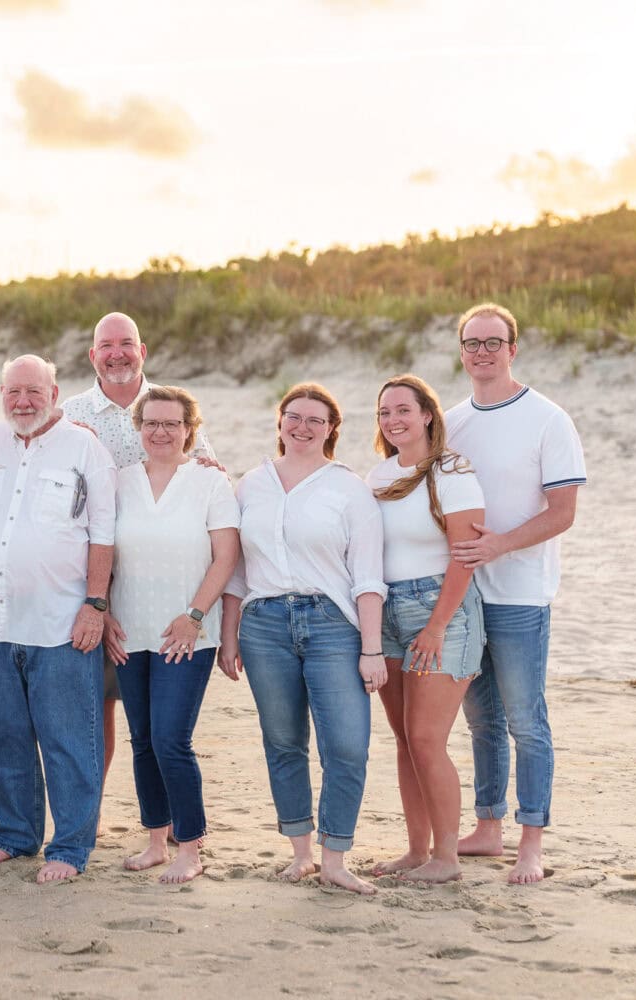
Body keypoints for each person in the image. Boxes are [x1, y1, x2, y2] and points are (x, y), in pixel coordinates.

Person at [218, 383, 387, 895]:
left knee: (347, 745)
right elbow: (235, 573)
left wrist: (372, 649)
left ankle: (336, 857)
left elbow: (368, 576)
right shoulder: (251, 485)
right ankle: (301, 852)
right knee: (283, 741)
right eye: (295, 416)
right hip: (264, 624)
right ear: (280, 422)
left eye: (316, 419)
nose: (304, 426)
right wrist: (229, 638)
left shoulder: (348, 488)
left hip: (333, 624)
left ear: (332, 429)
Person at [446, 303, 586, 884]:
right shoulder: (450, 421)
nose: (483, 351)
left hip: (521, 595)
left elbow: (562, 513)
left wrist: (499, 546)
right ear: (461, 351)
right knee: (482, 721)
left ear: (513, 349)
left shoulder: (548, 419)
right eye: (472, 342)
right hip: (462, 593)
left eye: (494, 342)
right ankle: (488, 826)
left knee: (526, 720)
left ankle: (532, 841)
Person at [0, 355, 117, 884]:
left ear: (55, 392)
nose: (23, 402)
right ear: (1, 393)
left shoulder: (86, 448)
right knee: (3, 738)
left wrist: (95, 605)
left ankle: (72, 846)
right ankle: (14, 835)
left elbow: (103, 535)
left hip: (63, 624)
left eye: (34, 391)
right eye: (13, 392)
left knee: (69, 740)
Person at [60, 311, 217, 794]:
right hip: (95, 585)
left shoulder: (171, 406)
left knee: (165, 720)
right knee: (98, 706)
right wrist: (97, 598)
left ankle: (169, 816)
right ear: (92, 356)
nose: (117, 353)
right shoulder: (73, 414)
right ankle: (96, 807)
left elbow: (208, 475)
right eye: (106, 345)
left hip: (164, 585)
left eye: (126, 343)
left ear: (142, 350)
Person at [106, 386, 239, 883]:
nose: (161, 432)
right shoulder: (118, 482)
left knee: (170, 739)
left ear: (190, 430)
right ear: (138, 428)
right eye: (151, 423)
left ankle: (191, 846)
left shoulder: (209, 483)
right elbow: (102, 550)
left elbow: (226, 557)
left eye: (172, 423)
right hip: (128, 629)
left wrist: (195, 615)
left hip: (186, 633)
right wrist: (104, 612)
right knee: (142, 739)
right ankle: (156, 840)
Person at [365, 374, 486, 883]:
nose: (394, 420)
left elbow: (466, 555)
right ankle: (417, 851)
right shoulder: (376, 476)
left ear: (427, 415)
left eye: (404, 411)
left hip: (442, 610)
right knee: (403, 738)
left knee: (427, 737)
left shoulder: (452, 470)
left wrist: (436, 626)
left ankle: (447, 858)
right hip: (389, 610)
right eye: (385, 413)